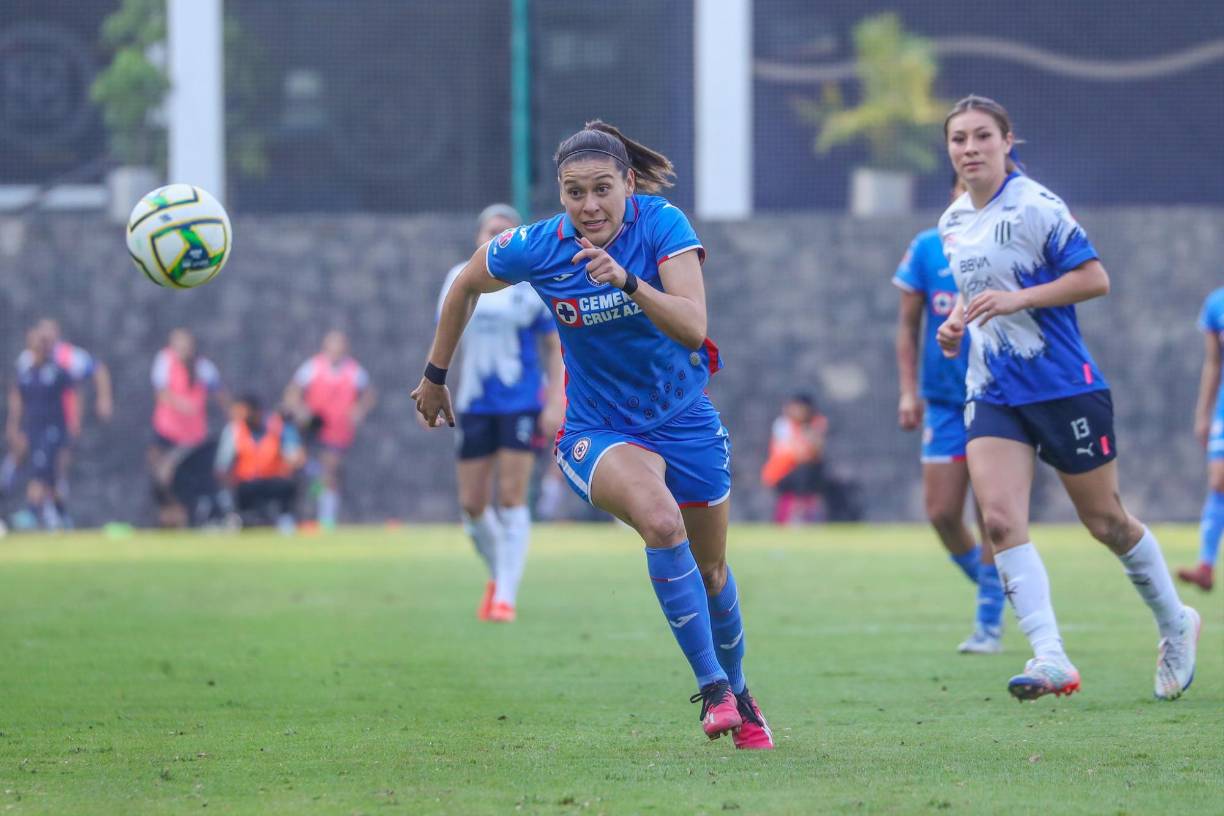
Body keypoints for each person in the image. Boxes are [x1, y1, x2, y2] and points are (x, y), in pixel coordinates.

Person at [412, 121, 774, 748]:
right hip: (596, 431)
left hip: (684, 420)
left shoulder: (662, 226)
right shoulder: (538, 245)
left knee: (712, 568)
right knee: (663, 525)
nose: (589, 206)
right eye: (574, 193)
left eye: (602, 189)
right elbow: (467, 283)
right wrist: (435, 374)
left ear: (628, 184)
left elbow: (693, 327)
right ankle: (712, 687)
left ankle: (742, 693)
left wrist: (628, 282)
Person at [935, 95, 1199, 701]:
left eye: (982, 136)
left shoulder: (1036, 206)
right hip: (992, 389)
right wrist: (956, 330)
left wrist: (1019, 299)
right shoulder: (952, 221)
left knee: (1105, 521)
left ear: (1007, 142)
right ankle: (1050, 656)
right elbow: (979, 300)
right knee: (1000, 521)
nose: (970, 148)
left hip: (1061, 386)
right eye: (958, 139)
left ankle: (1174, 622)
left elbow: (1094, 278)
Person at [435, 204, 564, 623]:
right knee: (472, 505)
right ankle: (500, 574)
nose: (499, 237)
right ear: (478, 237)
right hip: (473, 402)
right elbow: (446, 336)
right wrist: (431, 385)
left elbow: (553, 347)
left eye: (507, 232)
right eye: (492, 230)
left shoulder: (530, 287)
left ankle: (506, 595)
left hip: (520, 402)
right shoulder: (460, 278)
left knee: (511, 496)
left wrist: (555, 400)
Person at [893, 192, 1006, 655]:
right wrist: (907, 389)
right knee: (941, 511)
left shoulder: (1006, 241)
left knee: (991, 515)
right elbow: (907, 326)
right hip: (941, 401)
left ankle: (988, 624)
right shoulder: (925, 246)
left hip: (995, 396)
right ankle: (1000, 588)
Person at [283, 330, 376, 530]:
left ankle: (326, 518)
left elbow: (369, 395)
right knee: (314, 471)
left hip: (338, 431)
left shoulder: (353, 371)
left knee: (330, 470)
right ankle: (311, 512)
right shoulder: (312, 367)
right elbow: (292, 392)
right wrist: (301, 410)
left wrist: (358, 410)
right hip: (314, 429)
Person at [28, 318, 113, 522]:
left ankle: (53, 513)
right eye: (43, 332)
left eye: (50, 331)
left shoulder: (68, 356)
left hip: (61, 421)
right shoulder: (30, 358)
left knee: (58, 466)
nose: (46, 336)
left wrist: (104, 399)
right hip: (35, 423)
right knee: (41, 468)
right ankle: (49, 513)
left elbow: (96, 371)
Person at [4, 325, 84, 530]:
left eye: (42, 343)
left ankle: (31, 514)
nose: (38, 348)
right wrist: (14, 426)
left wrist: (74, 421)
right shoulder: (26, 373)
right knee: (50, 476)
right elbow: (17, 401)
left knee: (42, 472)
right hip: (32, 429)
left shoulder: (57, 371)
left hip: (53, 430)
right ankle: (61, 515)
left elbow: (75, 393)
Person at [149, 328, 228, 527]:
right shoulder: (164, 361)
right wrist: (180, 404)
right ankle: (168, 518)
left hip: (192, 437)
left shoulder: (203, 368)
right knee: (161, 478)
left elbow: (219, 393)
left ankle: (188, 519)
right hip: (167, 431)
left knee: (189, 481)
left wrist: (233, 413)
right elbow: (161, 392)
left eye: (186, 345)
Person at [1181, 287, 1224, 592]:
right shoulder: (1216, 303)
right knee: (1219, 480)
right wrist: (1203, 414)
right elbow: (1213, 363)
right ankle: (1206, 566)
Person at [215, 394, 305, 533]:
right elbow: (222, 464)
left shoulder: (277, 427)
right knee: (239, 494)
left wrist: (292, 459)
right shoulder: (234, 430)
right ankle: (238, 519)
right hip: (246, 484)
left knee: (287, 486)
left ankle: (285, 522)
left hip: (274, 481)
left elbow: (295, 454)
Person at [761, 394, 829, 524]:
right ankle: (796, 514)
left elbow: (816, 452)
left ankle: (808, 513)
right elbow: (798, 453)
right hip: (781, 473)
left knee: (814, 470)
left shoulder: (815, 423)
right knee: (805, 470)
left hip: (801, 472)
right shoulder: (783, 424)